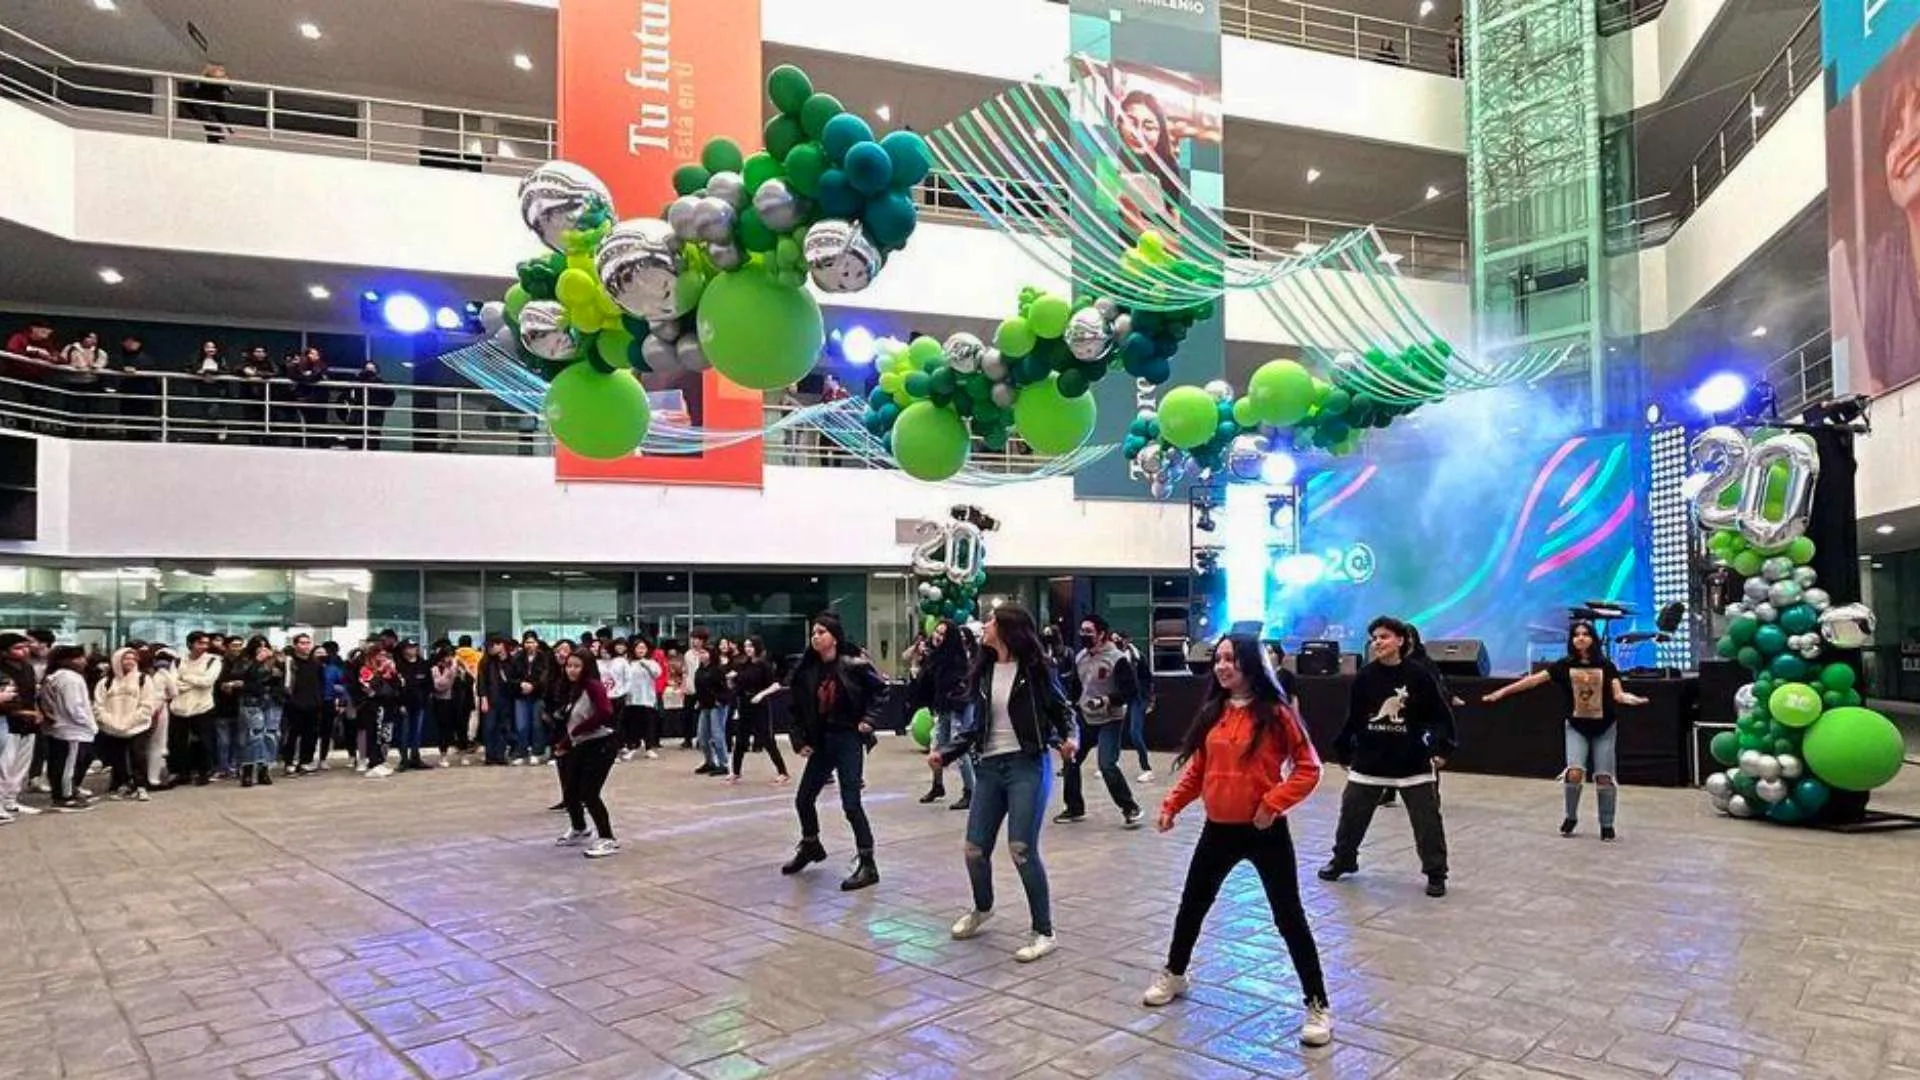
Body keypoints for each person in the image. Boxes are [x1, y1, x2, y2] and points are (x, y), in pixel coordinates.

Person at [1142, 634, 1332, 1047]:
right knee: (1191, 905)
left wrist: (1272, 804)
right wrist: (1173, 804)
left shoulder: (1277, 713)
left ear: (1250, 663)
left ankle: (1317, 1003)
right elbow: (1200, 769)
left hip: (1265, 832)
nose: (1223, 666)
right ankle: (1175, 974)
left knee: (1289, 918)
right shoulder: (1214, 711)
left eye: (1231, 659)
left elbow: (1308, 768)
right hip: (1218, 829)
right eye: (1218, 659)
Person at [931, 603, 1075, 963]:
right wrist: (947, 753)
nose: (985, 626)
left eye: (992, 621)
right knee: (974, 849)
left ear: (1009, 629)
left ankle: (1044, 931)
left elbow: (1063, 711)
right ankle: (983, 907)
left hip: (1027, 764)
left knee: (1021, 849)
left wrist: (1070, 737)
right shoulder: (983, 670)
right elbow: (974, 725)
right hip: (989, 768)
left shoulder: (1038, 669)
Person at [1320, 617, 1457, 897]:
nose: (1377, 642)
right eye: (1374, 638)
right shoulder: (1365, 676)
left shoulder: (1420, 676)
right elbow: (1355, 718)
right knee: (1351, 815)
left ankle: (1435, 873)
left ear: (1400, 640)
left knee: (1427, 821)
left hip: (1412, 761)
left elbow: (1440, 715)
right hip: (1370, 759)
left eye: (1383, 637)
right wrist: (1344, 748)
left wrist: (1444, 748)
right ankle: (1344, 859)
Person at [1482, 620, 1649, 841]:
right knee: (1575, 772)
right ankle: (1571, 816)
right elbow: (1532, 681)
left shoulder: (1607, 666)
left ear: (1593, 638)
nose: (1581, 638)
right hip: (1577, 726)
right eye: (1576, 635)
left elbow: (1618, 693)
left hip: (1605, 727)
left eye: (1585, 634)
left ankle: (1607, 824)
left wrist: (1631, 699)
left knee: (1604, 777)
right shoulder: (1564, 666)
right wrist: (1501, 693)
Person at [778, 613, 890, 890]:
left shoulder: (853, 665)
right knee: (804, 799)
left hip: (848, 739)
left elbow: (881, 691)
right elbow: (795, 709)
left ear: (834, 637)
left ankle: (868, 863)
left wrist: (869, 720)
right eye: (813, 633)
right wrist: (798, 738)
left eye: (821, 632)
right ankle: (810, 845)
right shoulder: (807, 671)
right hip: (822, 741)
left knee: (851, 803)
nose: (815, 637)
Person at [1058, 614, 1145, 828]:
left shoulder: (1117, 659)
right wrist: (1071, 703)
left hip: (1111, 719)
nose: (1084, 635)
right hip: (1086, 718)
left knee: (1106, 764)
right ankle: (1074, 807)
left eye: (1089, 632)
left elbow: (1130, 691)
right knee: (1071, 759)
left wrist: (1106, 700)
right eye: (1082, 631)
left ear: (1101, 634)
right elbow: (1078, 686)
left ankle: (1130, 807)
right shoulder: (1081, 657)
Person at [553, 650, 621, 858]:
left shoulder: (593, 686)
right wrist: (565, 743)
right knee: (570, 790)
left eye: (576, 666)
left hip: (601, 744)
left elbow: (605, 712)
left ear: (586, 667)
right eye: (569, 666)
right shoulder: (575, 688)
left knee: (589, 793)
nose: (571, 670)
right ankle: (580, 828)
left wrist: (579, 730)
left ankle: (608, 838)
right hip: (581, 744)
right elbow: (573, 722)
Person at [912, 619, 975, 809]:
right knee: (937, 747)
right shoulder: (936, 656)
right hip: (942, 708)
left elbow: (959, 686)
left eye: (942, 634)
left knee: (960, 750)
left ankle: (970, 791)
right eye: (936, 632)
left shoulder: (956, 659)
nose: (937, 637)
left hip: (956, 709)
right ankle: (937, 785)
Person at [39, 645, 97, 812]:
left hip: (58, 727)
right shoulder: (71, 678)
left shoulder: (53, 676)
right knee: (68, 765)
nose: (84, 662)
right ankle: (65, 795)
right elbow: (74, 706)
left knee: (58, 763)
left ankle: (63, 792)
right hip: (72, 729)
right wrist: (89, 724)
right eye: (80, 658)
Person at [730, 636, 788, 784]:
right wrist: (731, 679)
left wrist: (761, 695)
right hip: (745, 704)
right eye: (746, 646)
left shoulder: (764, 665)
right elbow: (736, 684)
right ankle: (735, 772)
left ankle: (783, 772)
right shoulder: (743, 664)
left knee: (767, 739)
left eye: (750, 646)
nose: (748, 649)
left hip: (760, 705)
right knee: (741, 739)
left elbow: (775, 685)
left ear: (757, 647)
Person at [169, 631, 222, 786]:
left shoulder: (213, 661)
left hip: (202, 706)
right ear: (191, 644)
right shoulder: (178, 661)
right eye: (200, 643)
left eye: (206, 643)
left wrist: (185, 678)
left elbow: (207, 681)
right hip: (180, 707)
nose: (203, 646)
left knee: (204, 742)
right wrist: (192, 682)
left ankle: (204, 772)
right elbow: (172, 683)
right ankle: (181, 772)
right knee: (178, 742)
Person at [0, 632, 39, 821]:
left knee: (20, 766)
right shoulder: (3, 670)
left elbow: (32, 694)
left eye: (25, 646)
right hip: (8, 722)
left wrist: (37, 713)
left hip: (29, 723)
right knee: (4, 766)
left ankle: (11, 800)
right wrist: (20, 712)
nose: (24, 651)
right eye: (17, 647)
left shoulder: (27, 668)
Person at [236, 636, 283, 787]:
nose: (262, 648)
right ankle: (248, 770)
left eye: (264, 645)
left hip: (272, 700)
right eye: (258, 645)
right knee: (254, 735)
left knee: (270, 736)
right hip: (252, 701)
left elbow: (281, 678)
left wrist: (279, 663)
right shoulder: (245, 660)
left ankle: (264, 769)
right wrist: (258, 661)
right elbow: (245, 677)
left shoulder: (274, 660)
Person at [505, 631, 552, 766]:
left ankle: (537, 753)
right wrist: (521, 684)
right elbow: (511, 677)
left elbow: (545, 676)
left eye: (532, 642)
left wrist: (534, 686)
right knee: (521, 725)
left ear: (537, 643)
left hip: (538, 695)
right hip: (521, 696)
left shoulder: (544, 657)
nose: (529, 645)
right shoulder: (517, 658)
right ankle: (522, 752)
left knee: (537, 725)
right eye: (527, 642)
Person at [356, 647, 402, 778]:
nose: (383, 657)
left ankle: (382, 759)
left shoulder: (391, 669)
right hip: (373, 706)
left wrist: (392, 673)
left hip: (389, 705)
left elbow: (399, 684)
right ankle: (373, 761)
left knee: (386, 734)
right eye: (379, 655)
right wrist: (380, 671)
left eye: (384, 655)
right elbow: (367, 687)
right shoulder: (365, 669)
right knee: (375, 733)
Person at [283, 633, 325, 776]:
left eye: (308, 643)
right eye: (302, 643)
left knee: (311, 735)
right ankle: (290, 762)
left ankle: (305, 762)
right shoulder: (289, 663)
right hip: (294, 704)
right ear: (295, 645)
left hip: (313, 704)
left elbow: (320, 683)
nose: (306, 646)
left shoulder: (316, 664)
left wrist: (319, 700)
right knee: (293, 734)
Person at [1117, 630, 1155, 782]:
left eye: (1121, 640)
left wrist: (1150, 700)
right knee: (1114, 731)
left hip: (1139, 699)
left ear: (1128, 640)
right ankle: (1110, 763)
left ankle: (1147, 769)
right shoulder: (1115, 657)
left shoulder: (1138, 657)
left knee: (1134, 733)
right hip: (1124, 698)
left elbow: (1148, 679)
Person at [693, 633, 733, 776]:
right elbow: (699, 688)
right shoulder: (699, 670)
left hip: (718, 705)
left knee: (717, 735)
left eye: (705, 653)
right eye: (701, 653)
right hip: (705, 705)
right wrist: (699, 700)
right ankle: (709, 761)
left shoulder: (717, 670)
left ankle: (724, 764)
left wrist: (719, 700)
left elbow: (725, 689)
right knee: (702, 736)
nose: (702, 655)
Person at [394, 639, 433, 771]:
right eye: (409, 647)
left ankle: (415, 758)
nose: (412, 650)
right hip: (404, 704)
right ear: (403, 649)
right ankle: (404, 759)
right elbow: (396, 687)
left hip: (420, 704)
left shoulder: (423, 664)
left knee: (417, 733)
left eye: (414, 647)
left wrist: (426, 699)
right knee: (404, 733)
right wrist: (400, 703)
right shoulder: (398, 665)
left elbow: (429, 684)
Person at [479, 635, 514, 765]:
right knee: (489, 727)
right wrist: (483, 698)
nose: (491, 648)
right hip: (490, 698)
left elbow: (514, 678)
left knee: (503, 727)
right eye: (489, 646)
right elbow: (481, 681)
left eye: (494, 645)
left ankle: (500, 755)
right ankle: (490, 755)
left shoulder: (510, 661)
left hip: (506, 698)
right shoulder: (486, 662)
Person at [627, 635, 663, 759]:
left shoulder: (651, 662)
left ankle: (649, 747)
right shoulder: (629, 663)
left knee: (649, 723)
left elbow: (657, 674)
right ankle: (632, 746)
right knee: (633, 723)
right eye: (638, 648)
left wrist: (646, 666)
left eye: (643, 648)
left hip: (647, 698)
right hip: (632, 699)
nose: (641, 650)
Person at [181, 63, 235, 143]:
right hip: (200, 103)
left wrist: (228, 127)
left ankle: (215, 139)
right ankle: (215, 138)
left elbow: (220, 111)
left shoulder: (219, 92)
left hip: (206, 104)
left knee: (213, 127)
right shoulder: (204, 85)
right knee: (212, 125)